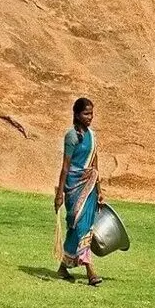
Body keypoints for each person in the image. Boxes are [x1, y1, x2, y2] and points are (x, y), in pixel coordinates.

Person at [54, 97, 106, 286]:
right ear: (76, 114)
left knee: (82, 228)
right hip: (74, 188)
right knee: (79, 226)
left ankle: (64, 267)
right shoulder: (72, 137)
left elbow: (95, 164)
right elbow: (65, 167)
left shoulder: (92, 136)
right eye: (86, 113)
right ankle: (90, 270)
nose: (90, 117)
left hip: (90, 186)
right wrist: (59, 193)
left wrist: (100, 190)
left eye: (91, 113)